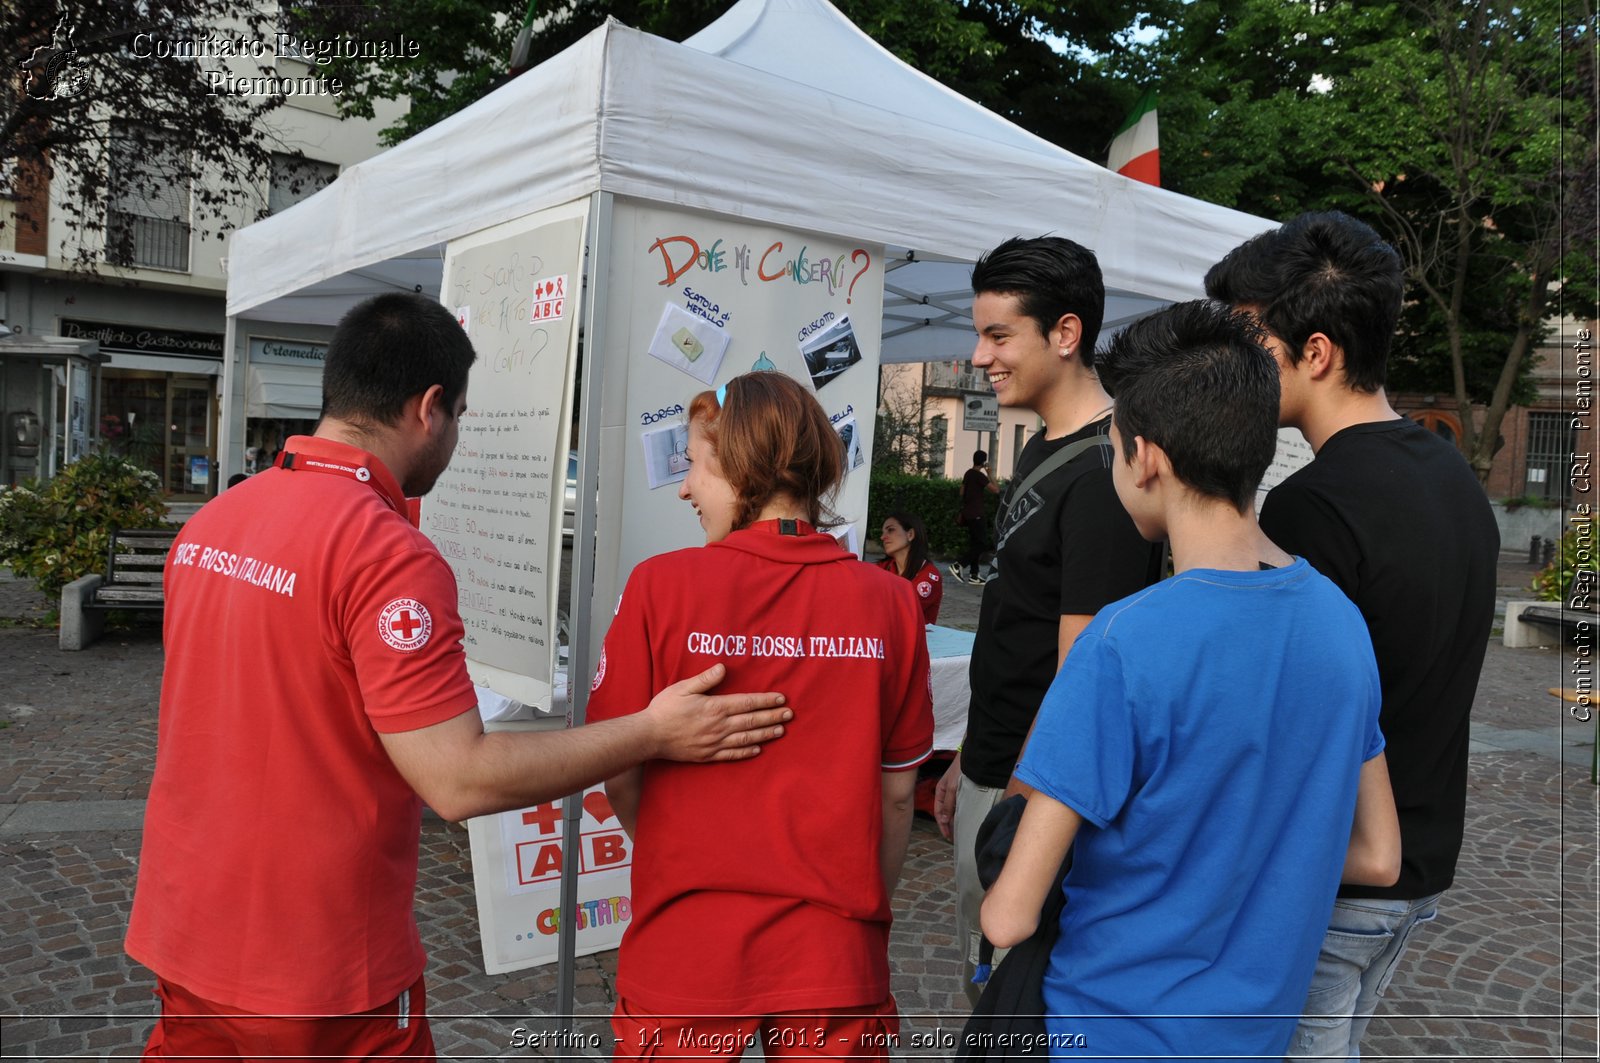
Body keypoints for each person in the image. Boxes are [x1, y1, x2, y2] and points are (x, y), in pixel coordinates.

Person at [124, 294, 792, 1061]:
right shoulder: (386, 553)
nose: (458, 436)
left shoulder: (212, 523)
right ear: (429, 408)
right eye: (463, 415)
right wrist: (652, 730)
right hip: (321, 972)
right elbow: (458, 780)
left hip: (187, 937)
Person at [980, 299, 1400, 1058]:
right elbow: (1379, 855)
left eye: (1112, 450)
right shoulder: (1342, 622)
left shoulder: (1121, 640)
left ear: (1147, 458)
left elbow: (1009, 914)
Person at [1205, 211, 1499, 1059]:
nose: (1237, 365)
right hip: (1414, 861)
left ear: (1318, 352)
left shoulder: (1312, 507)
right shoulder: (1451, 476)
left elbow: (1279, 719)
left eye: (1250, 339)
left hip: (1330, 875)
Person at [589, 372, 934, 1060]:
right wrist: (855, 901)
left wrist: (676, 853)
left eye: (694, 466)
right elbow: (899, 794)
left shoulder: (660, 586)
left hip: (686, 943)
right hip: (834, 950)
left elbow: (617, 769)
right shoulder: (890, 602)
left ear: (741, 465)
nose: (684, 488)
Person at [933, 235, 1164, 1003]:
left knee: (1008, 1001)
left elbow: (1082, 674)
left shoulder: (1104, 475)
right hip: (995, 763)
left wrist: (1012, 805)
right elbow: (1017, 622)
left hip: (1030, 790)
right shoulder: (1042, 445)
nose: (979, 355)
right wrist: (968, 754)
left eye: (999, 335)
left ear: (1065, 334)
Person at [878, 509, 943, 624]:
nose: (883, 537)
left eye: (890, 530)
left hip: (916, 639)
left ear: (910, 534)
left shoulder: (928, 575)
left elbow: (902, 611)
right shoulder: (883, 567)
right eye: (883, 532)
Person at [952, 451, 997, 584]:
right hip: (977, 514)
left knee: (975, 544)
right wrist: (989, 473)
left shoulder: (968, 473)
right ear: (984, 462)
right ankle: (958, 565)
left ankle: (974, 575)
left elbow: (961, 491)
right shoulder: (980, 476)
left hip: (967, 513)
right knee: (982, 544)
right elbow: (996, 490)